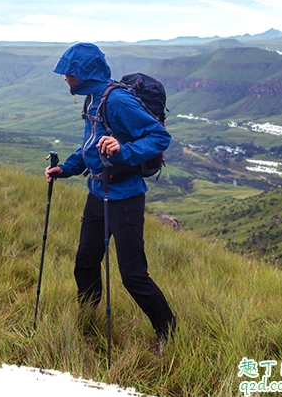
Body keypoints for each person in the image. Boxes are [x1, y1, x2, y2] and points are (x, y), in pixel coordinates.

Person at [45, 43, 176, 353]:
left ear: (84, 73)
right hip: (97, 192)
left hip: (125, 197)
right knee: (86, 261)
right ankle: (87, 318)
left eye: (69, 74)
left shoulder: (116, 99)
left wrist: (124, 151)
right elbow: (91, 144)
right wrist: (67, 168)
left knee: (132, 275)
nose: (65, 79)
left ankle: (168, 331)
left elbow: (160, 137)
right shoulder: (93, 98)